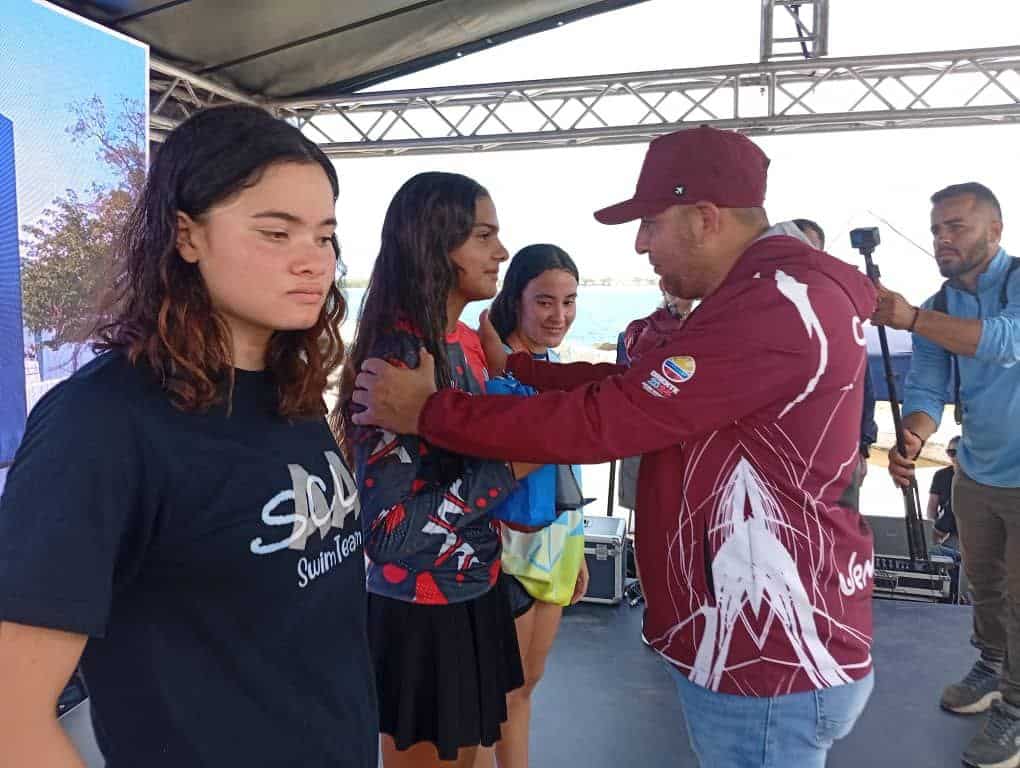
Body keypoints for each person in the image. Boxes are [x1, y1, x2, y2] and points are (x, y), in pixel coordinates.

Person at [352, 125, 878, 767]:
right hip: (751, 638)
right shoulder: (763, 297)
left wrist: (434, 411)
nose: (640, 243)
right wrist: (524, 374)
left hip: (766, 650)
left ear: (705, 218)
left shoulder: (771, 304)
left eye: (651, 223)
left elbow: (616, 416)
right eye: (484, 235)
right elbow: (639, 379)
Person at [0, 105, 377, 767]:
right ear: (186, 235)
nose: (312, 261)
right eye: (275, 232)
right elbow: (12, 721)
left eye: (323, 236)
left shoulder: (291, 392)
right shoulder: (101, 425)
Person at [333, 172, 528, 768]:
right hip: (421, 621)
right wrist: (512, 467)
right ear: (434, 245)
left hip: (470, 595)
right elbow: (388, 533)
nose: (501, 252)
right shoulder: (400, 356)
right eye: (483, 236)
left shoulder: (453, 345)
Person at [873, 182, 1020, 768]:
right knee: (984, 584)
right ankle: (991, 665)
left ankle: (1017, 708)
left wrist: (910, 316)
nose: (943, 238)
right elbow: (929, 385)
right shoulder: (940, 303)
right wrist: (912, 436)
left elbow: (1007, 343)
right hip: (977, 469)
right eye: (937, 229)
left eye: (957, 226)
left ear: (995, 230)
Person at [475, 244, 589, 768]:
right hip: (507, 554)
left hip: (556, 550)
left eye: (568, 302)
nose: (559, 316)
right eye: (545, 301)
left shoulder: (548, 367)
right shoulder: (491, 373)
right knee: (491, 698)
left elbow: (565, 472)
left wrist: (579, 550)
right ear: (515, 299)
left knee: (524, 688)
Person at [793, 217, 879, 482]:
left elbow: (862, 383)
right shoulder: (757, 305)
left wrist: (863, 445)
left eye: (808, 248)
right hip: (782, 454)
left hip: (837, 454)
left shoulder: (839, 302)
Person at [928, 435, 961, 556]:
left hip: (964, 534)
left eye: (956, 452)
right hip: (945, 530)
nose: (954, 457)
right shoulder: (941, 475)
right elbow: (932, 507)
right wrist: (932, 532)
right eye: (950, 452)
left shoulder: (973, 478)